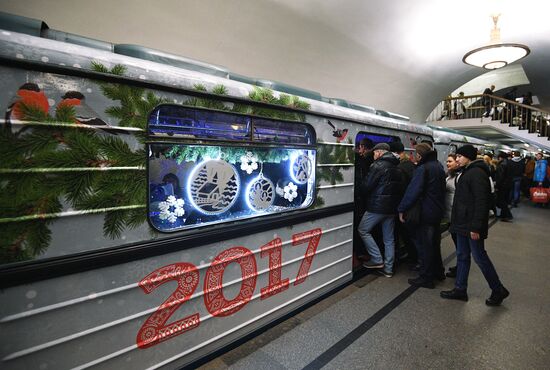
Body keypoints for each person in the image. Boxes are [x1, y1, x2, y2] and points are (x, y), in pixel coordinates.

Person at [440, 145, 509, 306]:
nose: (457, 159)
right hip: (463, 223)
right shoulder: (467, 171)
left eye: (460, 156)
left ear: (468, 157)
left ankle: (498, 289)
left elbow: (481, 202)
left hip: (471, 225)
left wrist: (476, 227)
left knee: (480, 257)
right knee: (462, 256)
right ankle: (460, 289)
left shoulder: (477, 173)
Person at [398, 143, 446, 288]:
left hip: (425, 212)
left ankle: (426, 278)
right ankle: (438, 272)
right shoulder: (438, 166)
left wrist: (402, 208)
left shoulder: (422, 168)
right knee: (434, 244)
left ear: (419, 155)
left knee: (425, 246)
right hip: (437, 211)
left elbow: (413, 191)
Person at [358, 143, 403, 278]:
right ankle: (388, 269)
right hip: (391, 208)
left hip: (377, 207)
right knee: (388, 239)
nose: (373, 155)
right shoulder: (396, 166)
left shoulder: (378, 165)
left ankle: (377, 259)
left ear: (379, 152)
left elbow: (366, 186)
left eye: (374, 153)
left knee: (363, 230)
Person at [444, 153, 461, 278]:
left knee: (460, 245)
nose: (447, 164)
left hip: (456, 216)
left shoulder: (458, 178)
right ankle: (459, 267)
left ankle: (460, 269)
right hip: (450, 215)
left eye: (450, 161)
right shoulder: (450, 176)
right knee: (458, 244)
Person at [495, 152, 513, 221]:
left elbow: (500, 177)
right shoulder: (509, 163)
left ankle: (508, 215)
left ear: (500, 157)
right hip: (508, 184)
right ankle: (503, 215)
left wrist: (497, 186)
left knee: (501, 201)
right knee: (504, 200)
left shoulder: (502, 164)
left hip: (503, 185)